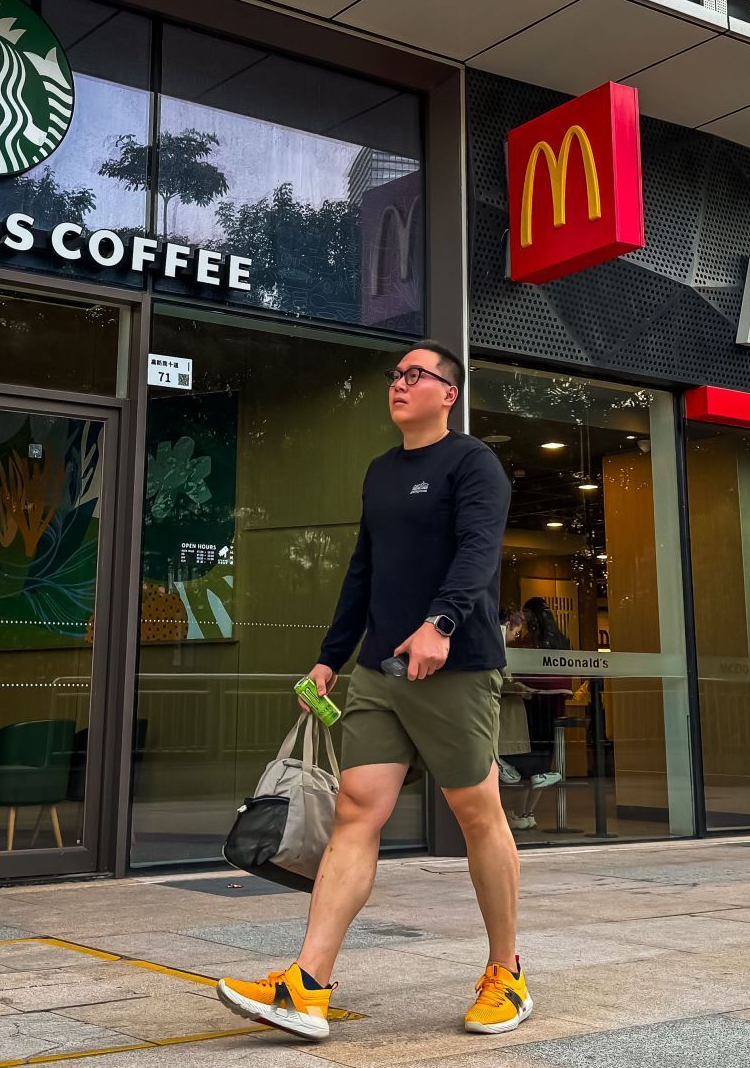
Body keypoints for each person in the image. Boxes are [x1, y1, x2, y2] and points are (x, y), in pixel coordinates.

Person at [217, 341, 527, 1042]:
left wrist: (439, 623)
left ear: (449, 393)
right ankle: (308, 983)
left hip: (455, 665)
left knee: (477, 813)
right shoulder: (382, 473)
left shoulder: (473, 463)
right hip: (378, 674)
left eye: (416, 375)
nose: (400, 383)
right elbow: (364, 569)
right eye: (396, 374)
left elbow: (479, 552)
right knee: (356, 811)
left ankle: (505, 974)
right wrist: (330, 659)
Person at [497, 599, 571, 830]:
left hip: (532, 705)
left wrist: (521, 686)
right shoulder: (561, 640)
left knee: (524, 762)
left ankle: (518, 812)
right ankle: (527, 812)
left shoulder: (530, 642)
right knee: (539, 764)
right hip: (553, 705)